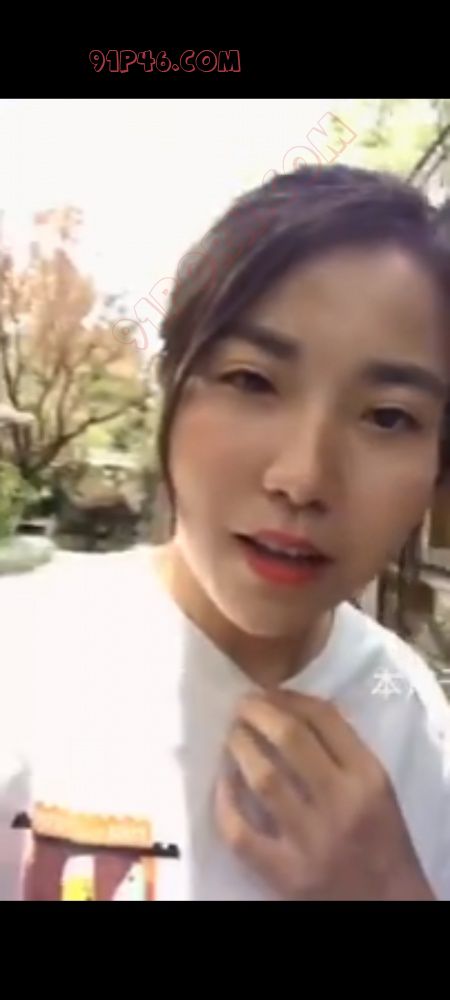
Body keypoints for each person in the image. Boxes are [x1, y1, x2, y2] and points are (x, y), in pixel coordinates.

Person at [2, 163, 450, 901]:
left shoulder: (412, 715)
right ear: (173, 381)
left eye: (388, 416)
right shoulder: (20, 654)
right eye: (251, 380)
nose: (302, 478)